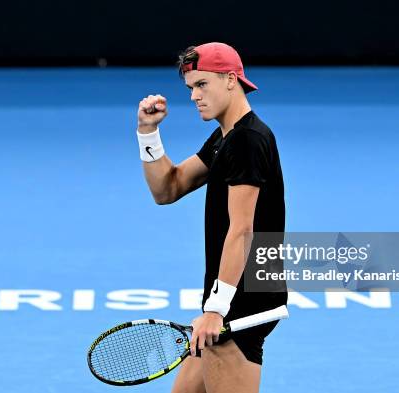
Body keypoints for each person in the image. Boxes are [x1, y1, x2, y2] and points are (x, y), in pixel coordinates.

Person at [135, 42, 287, 393]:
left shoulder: (247, 140)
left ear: (231, 80)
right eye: (190, 88)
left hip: (241, 301)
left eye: (202, 84)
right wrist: (148, 132)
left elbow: (243, 229)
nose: (194, 97)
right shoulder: (225, 139)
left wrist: (217, 309)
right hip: (232, 294)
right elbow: (167, 189)